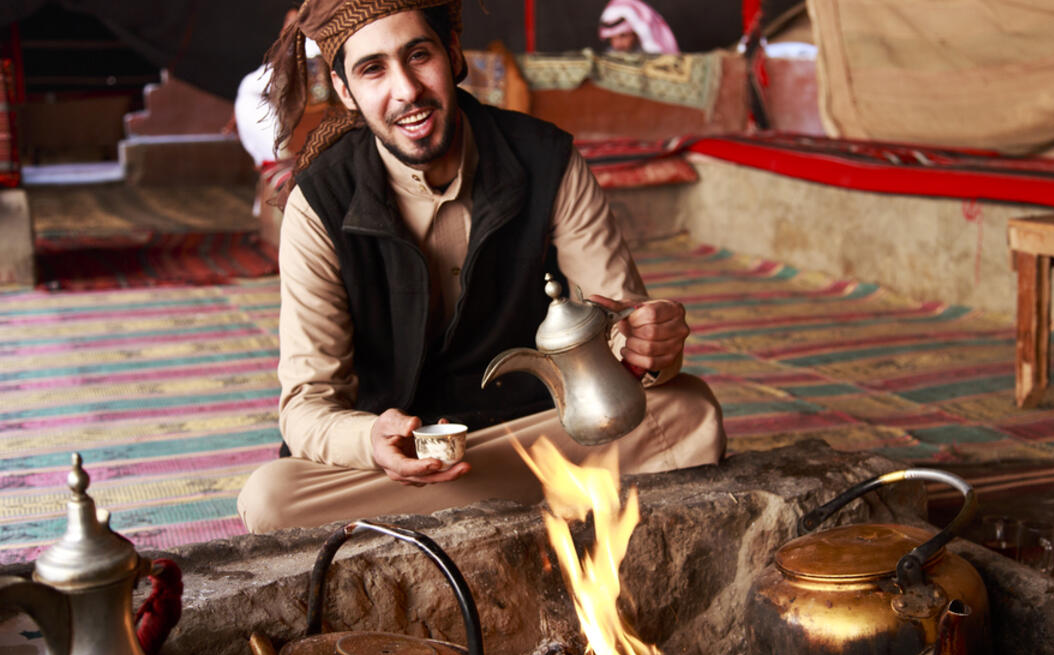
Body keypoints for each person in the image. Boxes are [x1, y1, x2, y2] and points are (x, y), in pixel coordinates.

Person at [236, 0, 724, 533]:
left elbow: (616, 330)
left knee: (687, 411)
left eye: (418, 56)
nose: (406, 90)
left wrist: (648, 347)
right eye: (373, 69)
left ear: (451, 54)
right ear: (346, 92)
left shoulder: (546, 160)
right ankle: (531, 506)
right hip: (402, 469)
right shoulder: (320, 201)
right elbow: (307, 406)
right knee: (271, 500)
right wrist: (372, 442)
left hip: (534, 432)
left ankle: (458, 517)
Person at [598, 0, 679, 54]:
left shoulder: (648, 58)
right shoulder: (608, 57)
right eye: (612, 38)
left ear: (636, 33)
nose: (618, 44)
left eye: (623, 35)